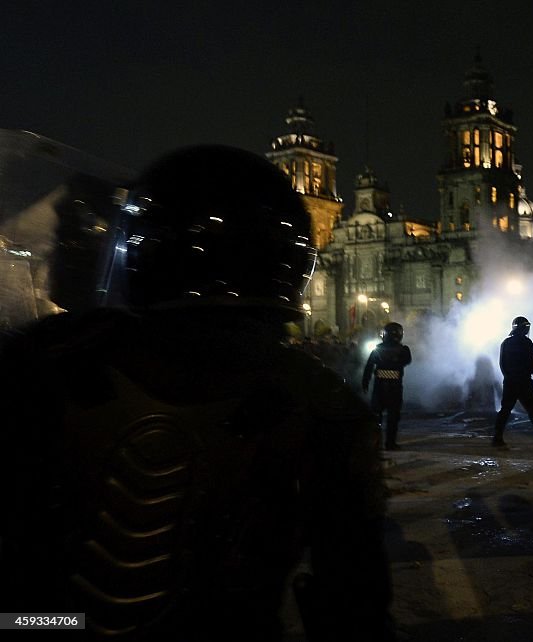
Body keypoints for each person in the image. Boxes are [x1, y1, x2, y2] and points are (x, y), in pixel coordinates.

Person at [0, 146, 394, 641]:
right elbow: (354, 609)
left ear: (144, 250)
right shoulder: (322, 404)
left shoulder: (40, 365)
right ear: (292, 262)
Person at [492, 316, 533, 447]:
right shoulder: (527, 343)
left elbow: (502, 363)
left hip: (510, 382)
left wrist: (509, 377)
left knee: (505, 410)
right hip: (524, 382)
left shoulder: (506, 342)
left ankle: (497, 438)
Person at [363, 321, 412, 450]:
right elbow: (407, 361)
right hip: (394, 388)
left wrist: (365, 381)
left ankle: (376, 443)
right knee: (393, 418)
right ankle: (389, 443)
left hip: (379, 387)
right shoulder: (403, 350)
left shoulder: (378, 348)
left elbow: (369, 367)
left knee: (377, 417)